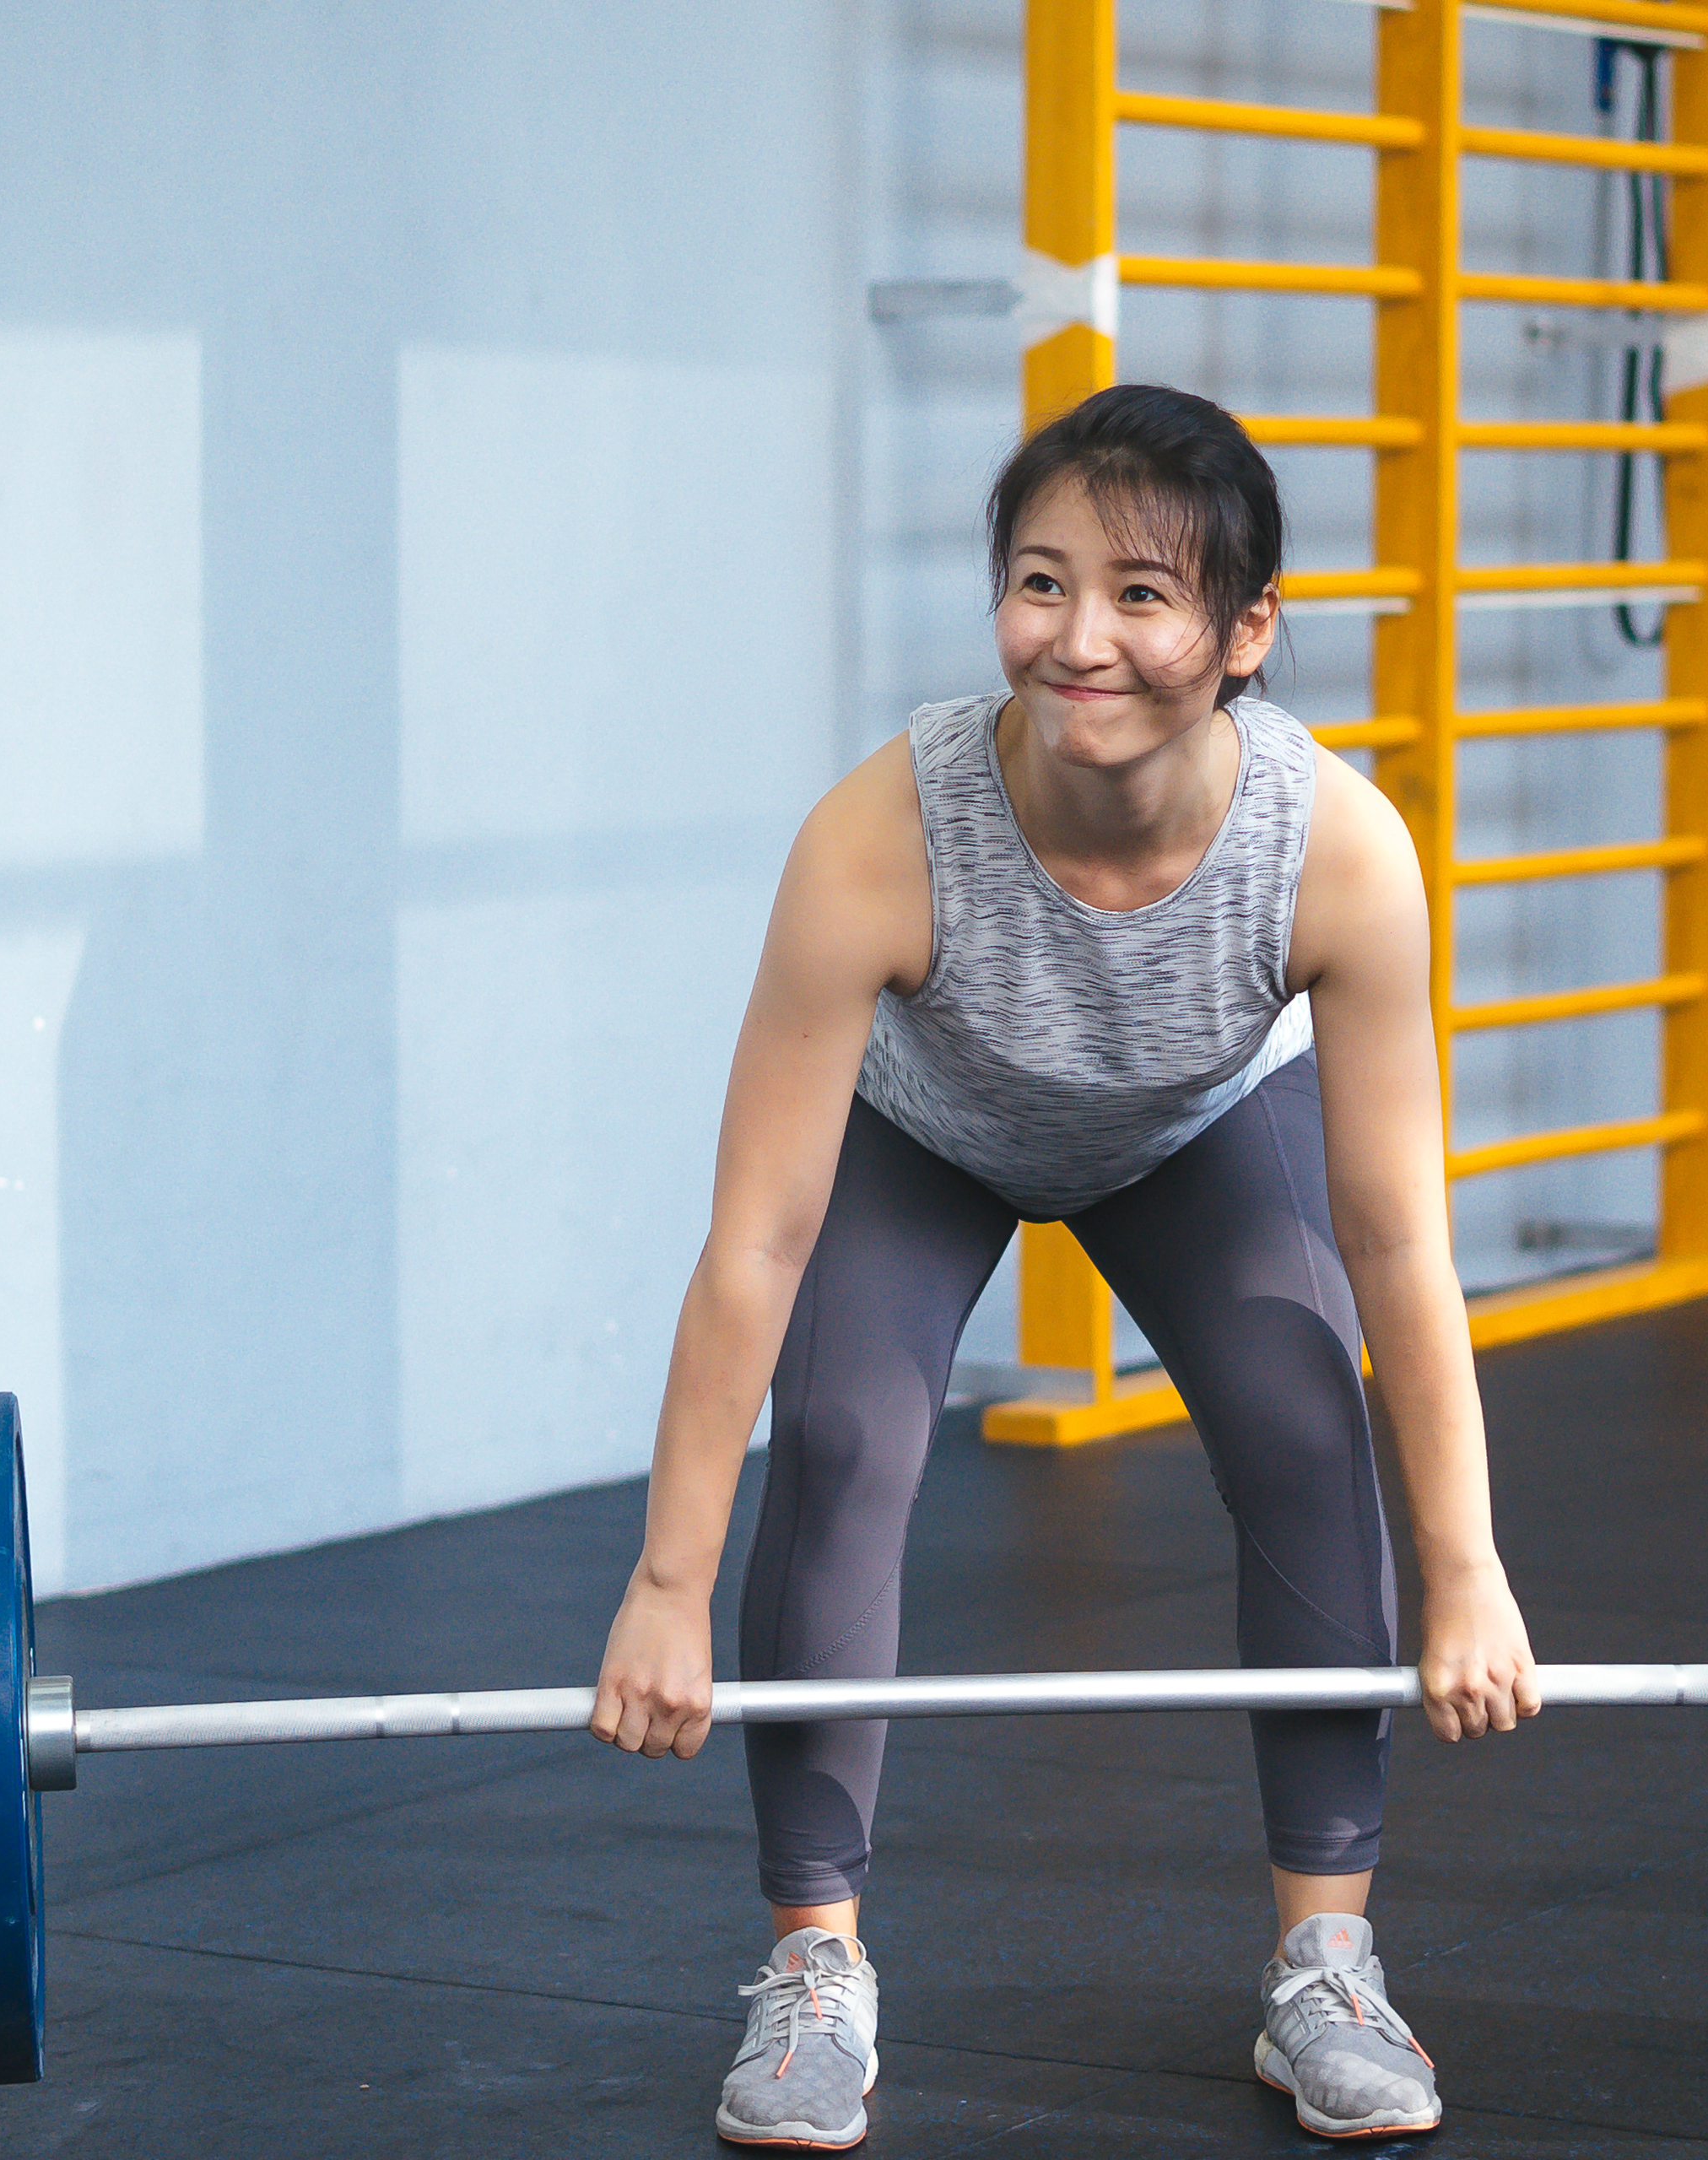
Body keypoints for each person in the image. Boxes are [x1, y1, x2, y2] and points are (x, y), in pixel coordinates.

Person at [589, 383, 1540, 2149]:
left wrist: (1468, 1568)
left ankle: (1326, 1965)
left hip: (1192, 1127)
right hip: (928, 1131)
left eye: (1142, 594)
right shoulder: (881, 835)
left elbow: (1400, 1239)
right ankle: (814, 1969)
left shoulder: (1336, 850)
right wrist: (667, 1579)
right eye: (1040, 582)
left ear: (1248, 631)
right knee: (848, 1440)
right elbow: (759, 1236)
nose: (1077, 638)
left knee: (1302, 1416)